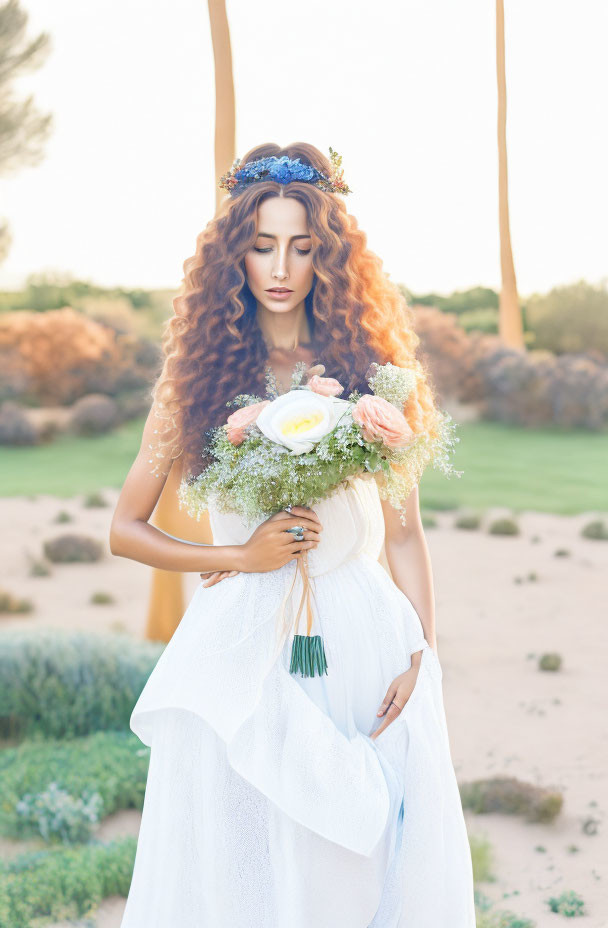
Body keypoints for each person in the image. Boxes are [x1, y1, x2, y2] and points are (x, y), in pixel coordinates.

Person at [111, 142, 476, 927]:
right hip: (245, 633)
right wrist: (237, 555)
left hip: (363, 635)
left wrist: (424, 656)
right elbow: (125, 528)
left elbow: (405, 537)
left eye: (303, 247)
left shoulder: (369, 373)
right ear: (233, 255)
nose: (281, 267)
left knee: (351, 861)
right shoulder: (195, 379)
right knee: (246, 849)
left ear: (329, 258)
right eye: (262, 245)